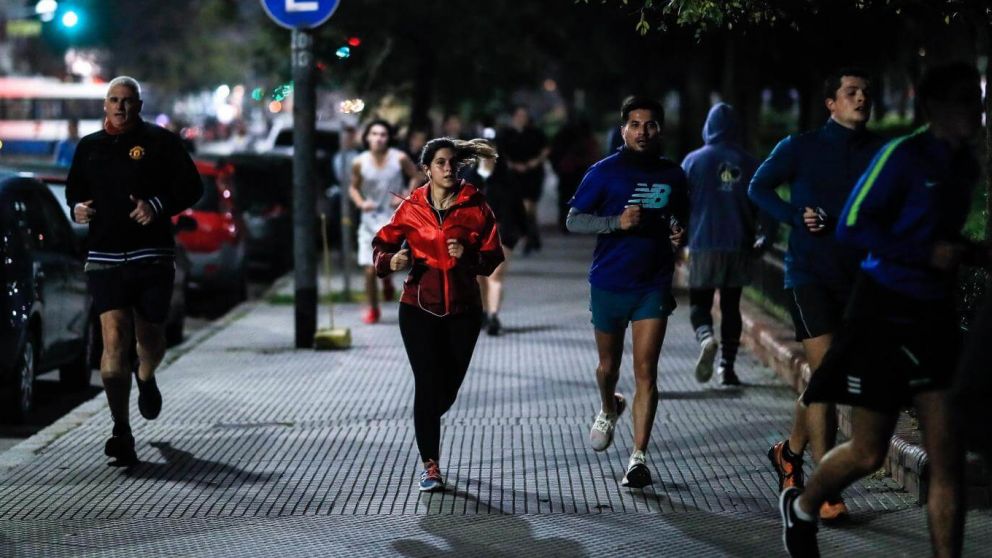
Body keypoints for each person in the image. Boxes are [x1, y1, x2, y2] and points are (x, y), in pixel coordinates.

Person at [781, 62, 987, 558]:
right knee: (869, 453)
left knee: (947, 460)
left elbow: (942, 238)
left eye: (977, 101)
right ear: (935, 108)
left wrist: (971, 253)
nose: (976, 112)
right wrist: (923, 254)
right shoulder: (903, 155)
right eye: (965, 102)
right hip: (883, 313)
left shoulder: (964, 166)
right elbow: (853, 225)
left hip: (934, 318)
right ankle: (803, 507)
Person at [749, 67, 884, 520]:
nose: (861, 98)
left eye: (865, 92)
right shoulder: (800, 147)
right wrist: (793, 216)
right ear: (831, 102)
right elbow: (757, 186)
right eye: (851, 92)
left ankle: (789, 452)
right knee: (825, 376)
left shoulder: (880, 153)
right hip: (807, 274)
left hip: (859, 278)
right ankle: (827, 491)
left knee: (833, 375)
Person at [66, 76, 202, 466]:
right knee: (113, 340)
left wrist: (156, 206)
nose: (121, 107)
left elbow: (192, 187)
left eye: (128, 101)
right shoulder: (89, 147)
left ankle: (146, 374)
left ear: (139, 105)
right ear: (104, 105)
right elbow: (74, 191)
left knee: (150, 338)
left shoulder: (162, 143)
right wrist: (78, 208)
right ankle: (120, 430)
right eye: (114, 100)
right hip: (106, 257)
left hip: (151, 256)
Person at [566, 96, 688, 488]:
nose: (642, 131)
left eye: (650, 124)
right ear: (622, 129)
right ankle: (609, 406)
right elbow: (573, 220)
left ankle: (638, 458)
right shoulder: (604, 172)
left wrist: (678, 233)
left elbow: (680, 216)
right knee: (608, 369)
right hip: (609, 282)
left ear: (660, 130)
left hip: (652, 282)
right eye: (634, 124)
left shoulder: (673, 174)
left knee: (646, 372)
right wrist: (616, 222)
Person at [372, 137, 504, 492]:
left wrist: (469, 255)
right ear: (426, 169)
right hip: (418, 307)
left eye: (452, 163)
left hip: (464, 310)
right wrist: (390, 261)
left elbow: (493, 258)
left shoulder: (476, 207)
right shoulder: (411, 208)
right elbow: (382, 245)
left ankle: (429, 416)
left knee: (447, 391)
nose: (447, 169)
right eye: (440, 163)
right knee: (427, 384)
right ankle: (430, 465)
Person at [681, 103, 764, 386]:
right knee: (731, 306)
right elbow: (764, 205)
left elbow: (679, 205)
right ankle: (727, 368)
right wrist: (765, 238)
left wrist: (678, 242)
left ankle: (706, 338)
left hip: (703, 244)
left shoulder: (692, 161)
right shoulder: (751, 164)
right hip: (738, 244)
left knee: (699, 304)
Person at [349, 120, 422, 324]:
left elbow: (416, 176)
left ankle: (388, 280)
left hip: (393, 221)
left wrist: (405, 195)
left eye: (383, 134)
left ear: (388, 138)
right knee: (370, 269)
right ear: (368, 138)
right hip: (369, 221)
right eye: (374, 134)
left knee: (394, 262)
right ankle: (373, 309)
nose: (379, 138)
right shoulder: (359, 162)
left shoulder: (399, 158)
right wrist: (361, 203)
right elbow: (353, 188)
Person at [461, 143, 527, 335]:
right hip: (473, 236)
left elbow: (518, 208)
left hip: (502, 234)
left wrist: (522, 231)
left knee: (495, 275)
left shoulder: (507, 179)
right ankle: (483, 312)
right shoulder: (467, 179)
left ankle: (493, 316)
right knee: (479, 276)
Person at [498, 106, 549, 255]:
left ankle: (532, 236)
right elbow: (500, 153)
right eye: (519, 115)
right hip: (513, 175)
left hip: (532, 174)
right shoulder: (505, 134)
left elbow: (545, 149)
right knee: (521, 208)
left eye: (524, 115)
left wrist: (535, 161)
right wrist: (513, 165)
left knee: (530, 207)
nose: (521, 118)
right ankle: (530, 238)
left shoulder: (535, 133)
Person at [550, 116, 600, 233]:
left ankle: (564, 223)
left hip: (566, 171)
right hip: (580, 171)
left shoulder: (561, 136)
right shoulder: (586, 138)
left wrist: (557, 168)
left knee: (565, 198)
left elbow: (554, 154)